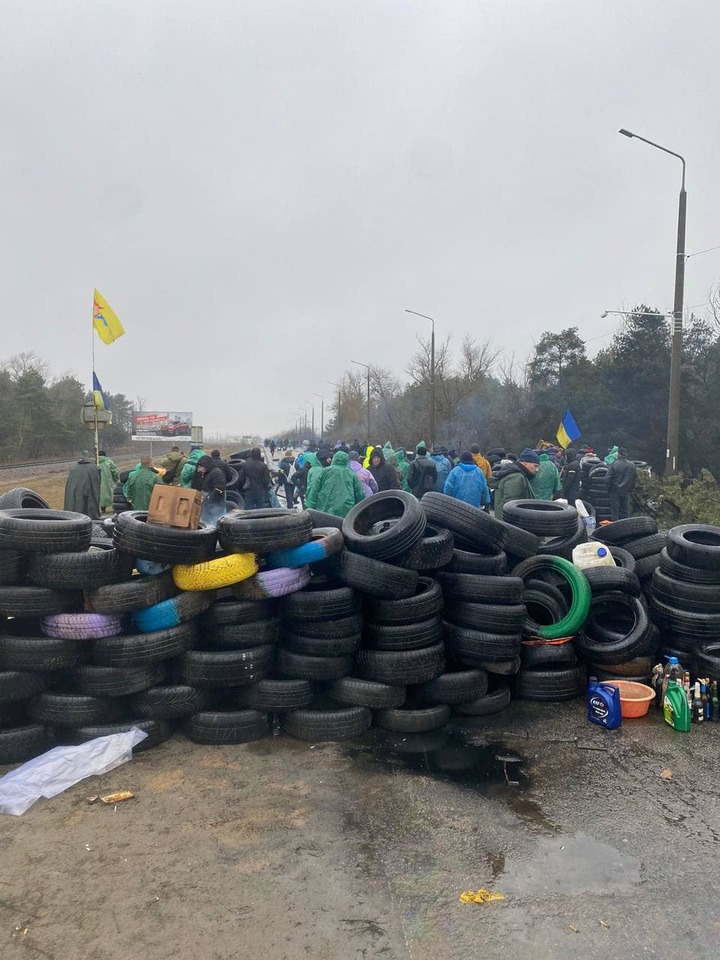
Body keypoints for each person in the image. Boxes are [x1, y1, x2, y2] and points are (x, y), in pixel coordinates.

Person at [306, 450, 365, 517]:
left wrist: (310, 506)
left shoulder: (325, 472)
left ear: (334, 459)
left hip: (325, 510)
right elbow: (360, 494)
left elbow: (314, 490)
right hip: (346, 511)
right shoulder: (352, 474)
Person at [493, 448, 539, 518]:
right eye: (535, 466)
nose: (537, 470)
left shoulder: (518, 475)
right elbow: (510, 507)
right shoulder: (516, 478)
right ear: (525, 462)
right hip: (510, 524)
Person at [64, 451, 101, 519]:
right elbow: (94, 490)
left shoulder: (73, 468)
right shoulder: (93, 468)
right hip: (86, 497)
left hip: (72, 497)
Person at [607, 447, 637, 520]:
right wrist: (630, 489)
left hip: (614, 491)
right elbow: (634, 479)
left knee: (615, 511)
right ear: (626, 455)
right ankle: (626, 527)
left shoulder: (614, 464)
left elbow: (607, 478)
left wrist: (608, 488)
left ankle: (616, 528)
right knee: (625, 510)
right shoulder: (632, 465)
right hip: (626, 491)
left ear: (619, 454)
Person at [196, 455, 228, 523]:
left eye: (200, 467)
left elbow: (219, 489)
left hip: (215, 504)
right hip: (208, 505)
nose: (198, 470)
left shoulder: (217, 473)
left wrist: (208, 498)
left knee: (215, 522)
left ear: (206, 466)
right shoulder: (207, 473)